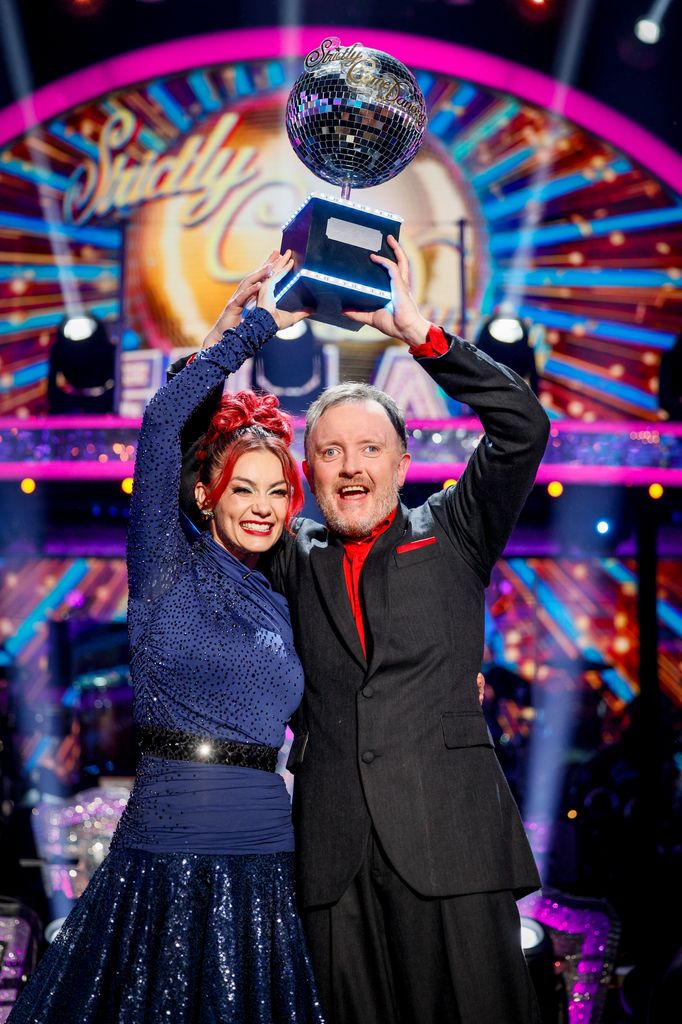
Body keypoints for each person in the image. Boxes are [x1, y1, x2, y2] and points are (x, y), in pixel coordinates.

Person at [8, 252, 325, 1024]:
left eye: (278, 490)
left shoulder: (285, 590)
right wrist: (247, 331)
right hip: (167, 851)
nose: (262, 506)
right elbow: (159, 425)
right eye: (242, 488)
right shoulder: (163, 566)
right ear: (202, 494)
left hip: (268, 859)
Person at [257, 236, 551, 1024]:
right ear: (307, 473)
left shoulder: (454, 528)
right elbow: (183, 474)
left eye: (369, 449)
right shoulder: (288, 553)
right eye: (329, 452)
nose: (351, 467)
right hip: (333, 856)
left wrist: (420, 331)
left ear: (402, 459)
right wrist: (248, 329)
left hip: (451, 844)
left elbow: (523, 428)